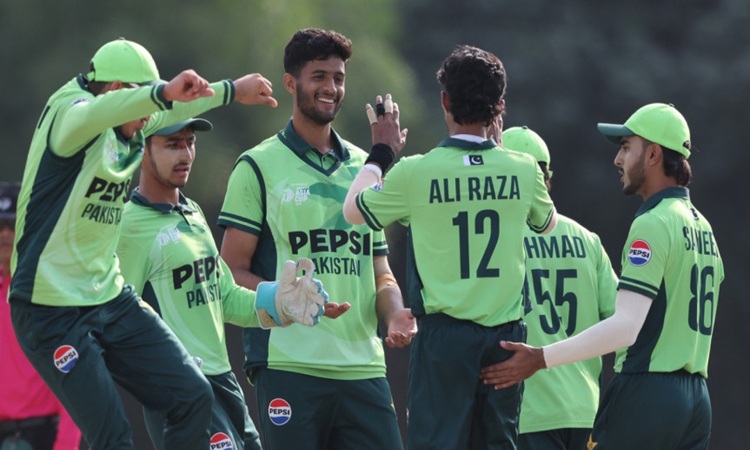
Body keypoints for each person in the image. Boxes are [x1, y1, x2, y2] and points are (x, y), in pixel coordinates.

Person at [6, 37, 323, 450]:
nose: (148, 122)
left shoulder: (187, 209)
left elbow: (223, 294)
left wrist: (230, 90)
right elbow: (98, 113)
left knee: (193, 397)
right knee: (113, 436)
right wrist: (161, 92)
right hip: (49, 306)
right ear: (117, 91)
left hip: (105, 295)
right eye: (144, 110)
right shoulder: (70, 116)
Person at [343, 45, 558, 449]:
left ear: (445, 100)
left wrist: (381, 154)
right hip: (505, 339)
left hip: (444, 341)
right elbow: (547, 225)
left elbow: (353, 210)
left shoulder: (415, 171)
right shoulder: (524, 168)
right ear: (499, 108)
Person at [480, 103, 724, 449]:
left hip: (648, 393)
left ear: (653, 154)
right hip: (697, 399)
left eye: (626, 147)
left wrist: (540, 357)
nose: (617, 159)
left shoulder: (653, 222)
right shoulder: (704, 227)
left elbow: (625, 326)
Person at [218, 28, 416, 450]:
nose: (331, 88)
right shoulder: (257, 166)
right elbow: (230, 272)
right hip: (289, 365)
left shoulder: (365, 168)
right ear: (291, 83)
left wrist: (395, 313)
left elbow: (379, 269)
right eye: (319, 76)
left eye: (338, 78)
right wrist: (288, 299)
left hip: (363, 368)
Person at [501, 126, 618, 450]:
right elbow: (623, 321)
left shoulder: (495, 239)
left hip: (526, 413)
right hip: (586, 411)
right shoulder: (587, 239)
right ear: (546, 178)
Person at [0, 182, 82, 450]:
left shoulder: (48, 290)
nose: (5, 234)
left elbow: (71, 374)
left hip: (40, 435)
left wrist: (66, 445)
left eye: (12, 225)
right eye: (0, 225)